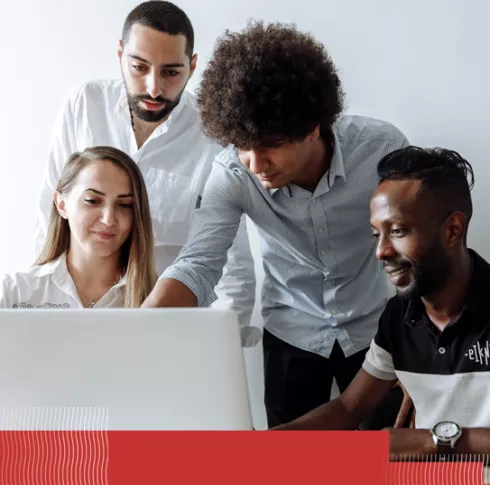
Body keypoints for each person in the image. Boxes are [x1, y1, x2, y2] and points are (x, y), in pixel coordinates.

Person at [142, 21, 410, 427]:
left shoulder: (381, 151)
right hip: (291, 336)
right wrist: (135, 333)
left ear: (312, 126)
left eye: (271, 145)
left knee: (385, 460)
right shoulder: (233, 174)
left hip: (378, 330)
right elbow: (198, 264)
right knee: (290, 465)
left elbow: (422, 248)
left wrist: (426, 347)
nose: (255, 163)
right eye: (242, 145)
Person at [34, 1, 257, 341]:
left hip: (169, 329)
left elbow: (231, 256)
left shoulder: (212, 132)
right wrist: (38, 310)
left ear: (192, 66)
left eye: (171, 72)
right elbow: (50, 215)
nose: (154, 88)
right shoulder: (84, 104)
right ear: (120, 54)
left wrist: (226, 345)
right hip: (78, 319)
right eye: (139, 67)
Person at [275, 146, 490, 460]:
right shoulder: (399, 315)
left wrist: (428, 441)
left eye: (398, 231)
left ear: (452, 230)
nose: (381, 252)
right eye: (377, 234)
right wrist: (267, 443)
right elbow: (348, 407)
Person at [1, 146, 155, 308]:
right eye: (92, 201)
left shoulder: (157, 299)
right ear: (61, 204)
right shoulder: (14, 293)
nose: (108, 220)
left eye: (124, 205)